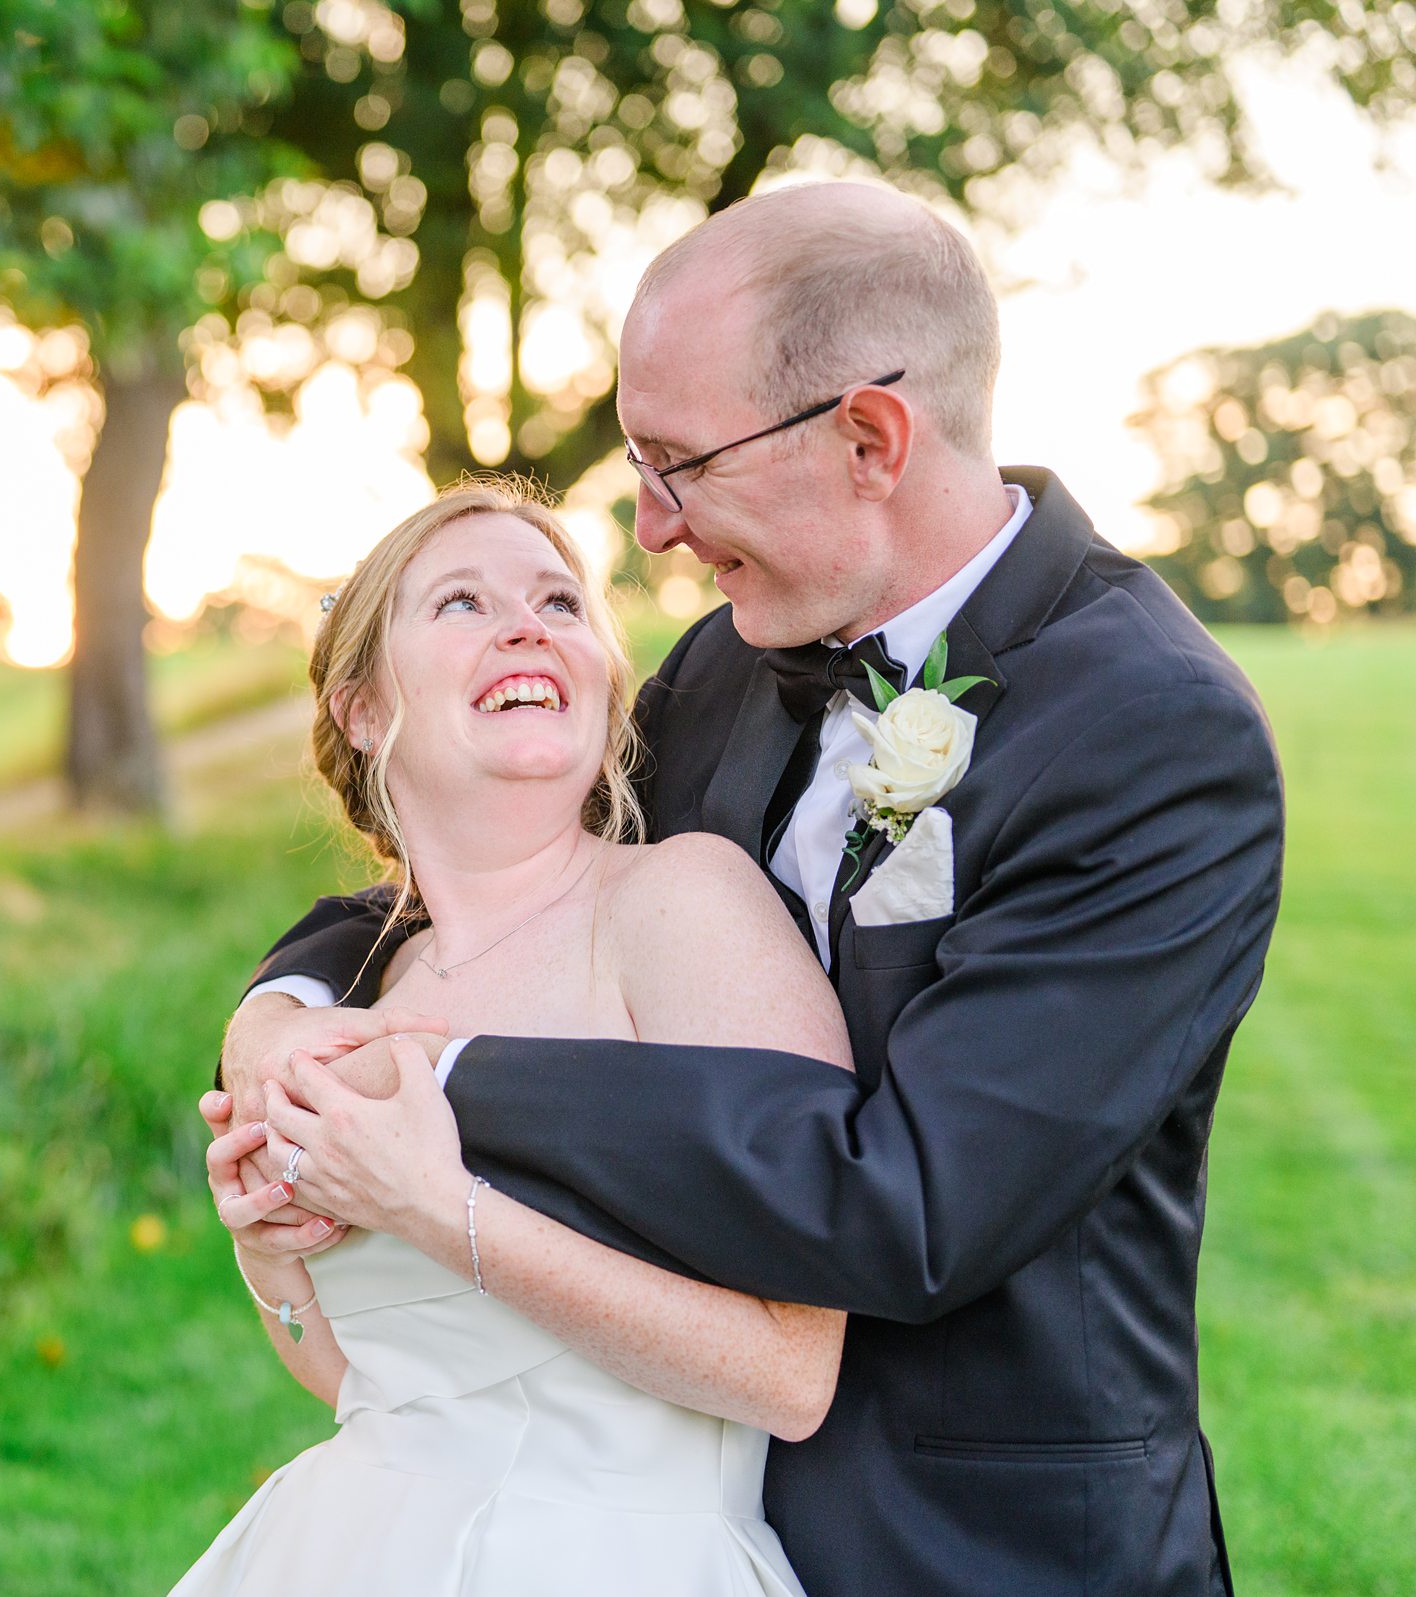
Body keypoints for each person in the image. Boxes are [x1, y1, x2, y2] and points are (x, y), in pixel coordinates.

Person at [214, 180, 1284, 1597]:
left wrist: (433, 1082)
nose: (650, 528)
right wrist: (288, 1015)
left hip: (978, 1547)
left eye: (678, 463)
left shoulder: (1155, 738)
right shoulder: (733, 663)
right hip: (675, 1509)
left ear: (868, 437)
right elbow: (518, 876)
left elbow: (915, 1206)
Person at [171, 482, 855, 1597]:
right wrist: (271, 1254)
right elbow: (371, 1385)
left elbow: (789, 1370)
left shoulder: (682, 904)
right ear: (364, 708)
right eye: (461, 603)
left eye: (559, 601)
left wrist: (435, 1208)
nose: (527, 624)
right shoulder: (360, 980)